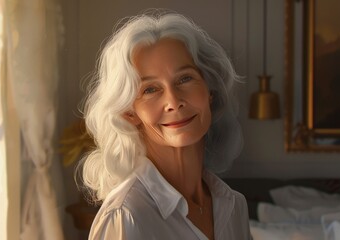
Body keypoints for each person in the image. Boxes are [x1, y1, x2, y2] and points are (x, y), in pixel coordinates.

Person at [78, 10, 251, 240]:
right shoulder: (126, 215)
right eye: (150, 89)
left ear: (210, 90)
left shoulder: (234, 206)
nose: (173, 101)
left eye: (185, 78)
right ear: (129, 113)